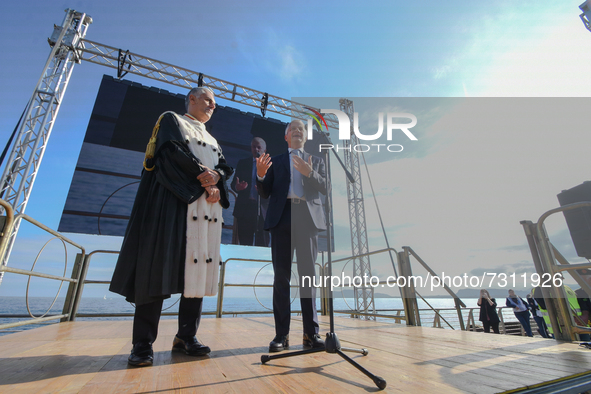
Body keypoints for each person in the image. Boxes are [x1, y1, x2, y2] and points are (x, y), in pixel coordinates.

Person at [109, 87, 233, 367]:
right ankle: (142, 343)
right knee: (156, 269)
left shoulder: (212, 139)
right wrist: (208, 182)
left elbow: (225, 167)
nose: (213, 105)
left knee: (198, 273)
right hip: (174, 203)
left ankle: (186, 337)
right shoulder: (171, 120)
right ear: (192, 98)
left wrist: (218, 179)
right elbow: (172, 153)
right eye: (208, 100)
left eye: (214, 103)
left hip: (206, 209)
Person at [256, 119, 326, 352]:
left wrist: (310, 173)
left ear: (305, 137)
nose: (297, 131)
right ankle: (281, 335)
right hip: (282, 218)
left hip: (307, 218)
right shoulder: (274, 161)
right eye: (292, 129)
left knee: (308, 277)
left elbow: (326, 187)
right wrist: (260, 175)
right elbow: (265, 193)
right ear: (286, 137)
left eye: (301, 129)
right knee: (281, 278)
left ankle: (311, 334)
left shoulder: (315, 161)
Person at [230, 137, 270, 247]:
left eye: (259, 147)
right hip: (245, 209)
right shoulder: (243, 163)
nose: (256, 149)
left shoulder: (271, 167)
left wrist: (264, 190)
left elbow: (276, 190)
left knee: (262, 245)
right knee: (244, 244)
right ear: (251, 148)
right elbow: (233, 185)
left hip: (263, 212)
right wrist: (238, 187)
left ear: (264, 150)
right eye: (254, 147)